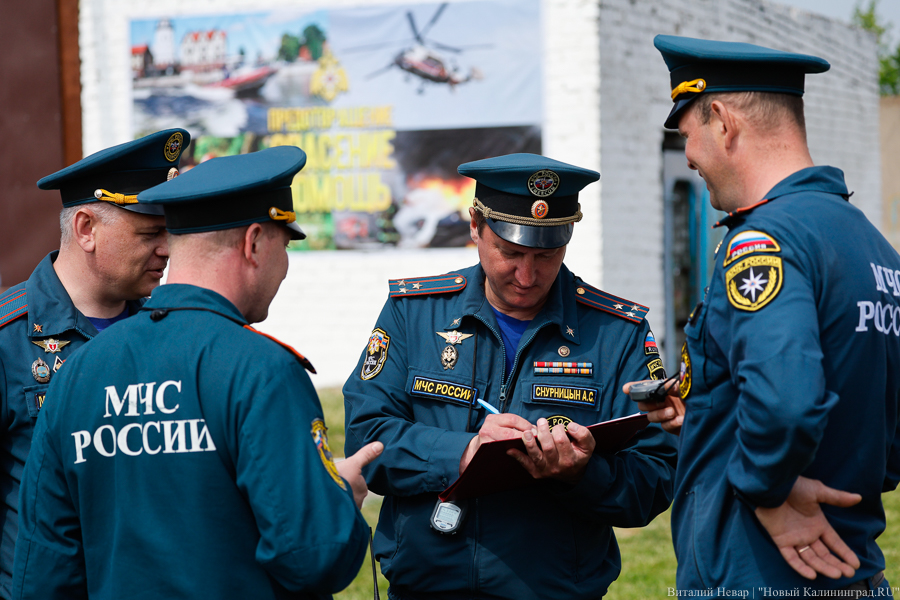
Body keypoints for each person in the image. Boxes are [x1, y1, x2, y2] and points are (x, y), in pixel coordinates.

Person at [12, 146, 382, 599]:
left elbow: (43, 572)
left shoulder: (80, 370)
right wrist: (339, 498)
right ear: (253, 244)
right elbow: (314, 558)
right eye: (285, 247)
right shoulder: (262, 370)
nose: (284, 269)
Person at [343, 153, 677, 599]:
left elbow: (654, 478)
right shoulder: (414, 313)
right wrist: (465, 453)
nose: (527, 274)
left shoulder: (616, 332)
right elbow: (366, 437)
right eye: (511, 251)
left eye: (546, 254)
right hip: (426, 585)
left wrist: (579, 474)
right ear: (476, 225)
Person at [635, 35, 900, 593]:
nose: (688, 157)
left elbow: (785, 403)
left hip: (757, 572)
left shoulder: (765, 241)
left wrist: (767, 489)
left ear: (722, 121)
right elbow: (885, 434)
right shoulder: (872, 246)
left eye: (687, 136)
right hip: (853, 567)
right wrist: (710, 416)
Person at [0, 128, 189, 600]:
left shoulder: (172, 331)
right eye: (150, 233)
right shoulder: (8, 341)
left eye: (171, 231)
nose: (167, 249)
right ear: (85, 229)